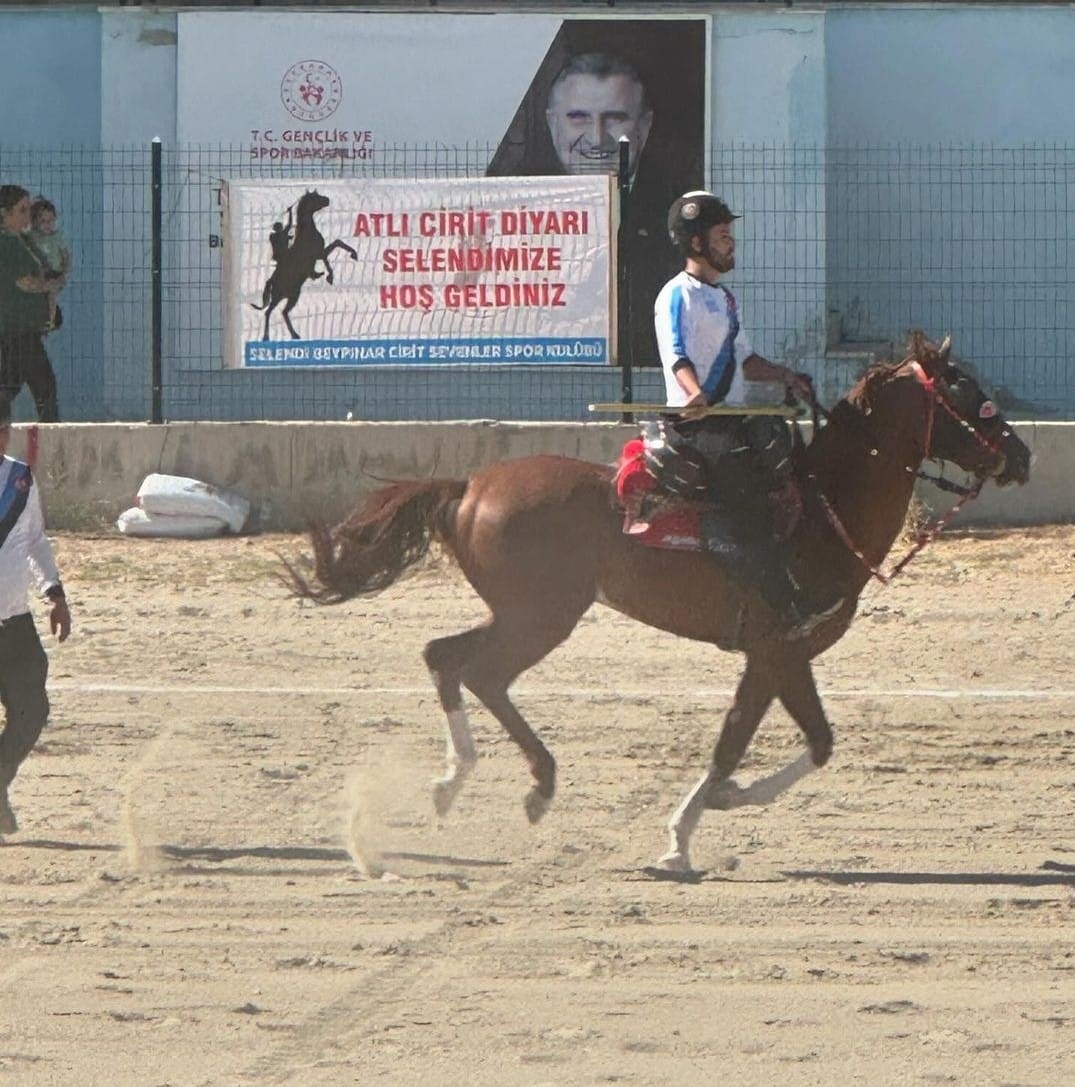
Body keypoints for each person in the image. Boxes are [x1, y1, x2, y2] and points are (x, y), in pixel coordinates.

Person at [653, 190, 841, 636]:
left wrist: (787, 377)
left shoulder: (725, 300)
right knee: (752, 498)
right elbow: (675, 354)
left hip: (731, 419)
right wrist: (695, 393)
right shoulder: (675, 295)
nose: (731, 243)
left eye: (730, 235)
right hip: (695, 426)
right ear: (697, 243)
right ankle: (785, 607)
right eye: (723, 235)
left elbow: (746, 360)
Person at [0, 393, 71, 835]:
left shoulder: (20, 480)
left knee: (32, 710)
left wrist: (55, 592)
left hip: (14, 621)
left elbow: (35, 542)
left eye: (1, 430)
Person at [0, 185, 60, 422]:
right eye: (22, 210)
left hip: (23, 329)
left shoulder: (23, 240)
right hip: (17, 330)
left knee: (9, 386)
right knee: (44, 386)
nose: (28, 216)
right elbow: (25, 282)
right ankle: (51, 442)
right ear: (4, 214)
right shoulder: (7, 244)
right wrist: (49, 285)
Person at [544, 52, 653, 179]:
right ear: (553, 125)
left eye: (614, 118)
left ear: (644, 127)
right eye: (579, 118)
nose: (597, 140)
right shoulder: (520, 194)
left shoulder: (677, 196)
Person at [27, 196, 70, 333]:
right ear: (34, 222)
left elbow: (65, 257)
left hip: (54, 273)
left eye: (50, 221)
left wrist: (64, 273)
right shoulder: (32, 235)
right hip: (39, 272)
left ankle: (50, 320)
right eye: (43, 221)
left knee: (51, 293)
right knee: (35, 290)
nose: (47, 225)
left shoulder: (57, 237)